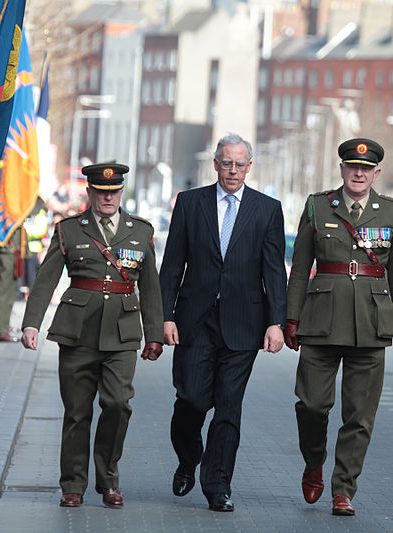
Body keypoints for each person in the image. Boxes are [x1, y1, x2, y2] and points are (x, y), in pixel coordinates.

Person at [283, 137, 393, 516]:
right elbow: (299, 269)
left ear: (376, 173)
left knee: (359, 415)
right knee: (311, 405)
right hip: (321, 320)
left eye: (366, 169)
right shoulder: (318, 205)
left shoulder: (391, 212)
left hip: (371, 325)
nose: (358, 173)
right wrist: (291, 318)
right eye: (351, 167)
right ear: (342, 169)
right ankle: (314, 462)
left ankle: (344, 489)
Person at [20, 163, 163, 509]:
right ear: (91, 193)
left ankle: (108, 479)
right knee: (76, 411)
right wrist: (31, 323)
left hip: (123, 333)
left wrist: (155, 333)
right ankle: (72, 484)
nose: (108, 198)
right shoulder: (70, 229)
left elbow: (151, 286)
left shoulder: (140, 231)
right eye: (102, 192)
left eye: (114, 192)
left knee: (117, 405)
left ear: (121, 193)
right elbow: (46, 278)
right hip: (77, 332)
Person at [159, 133, 286, 513]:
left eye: (239, 164)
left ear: (250, 167)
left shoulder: (267, 209)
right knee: (192, 398)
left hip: (245, 323)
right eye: (226, 162)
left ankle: (218, 484)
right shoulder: (190, 203)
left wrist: (276, 322)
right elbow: (172, 265)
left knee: (229, 407)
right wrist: (164, 315)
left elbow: (273, 271)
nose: (232, 170)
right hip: (194, 320)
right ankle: (188, 457)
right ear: (215, 164)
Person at [0, 223, 22, 342]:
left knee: (9, 293)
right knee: (4, 292)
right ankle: (0, 329)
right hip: (8, 250)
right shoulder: (11, 206)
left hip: (12, 250)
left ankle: (3, 326)